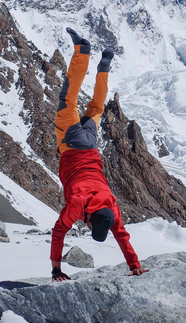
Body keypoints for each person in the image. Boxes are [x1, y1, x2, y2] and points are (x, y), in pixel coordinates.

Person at [50, 28, 149, 281]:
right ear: (92, 222)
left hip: (92, 146)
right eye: (89, 226)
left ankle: (104, 65)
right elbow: (59, 231)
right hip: (72, 145)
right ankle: (82, 51)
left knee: (96, 108)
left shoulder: (112, 208)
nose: (86, 225)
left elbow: (122, 236)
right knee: (68, 99)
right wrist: (56, 269)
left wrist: (134, 264)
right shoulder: (78, 204)